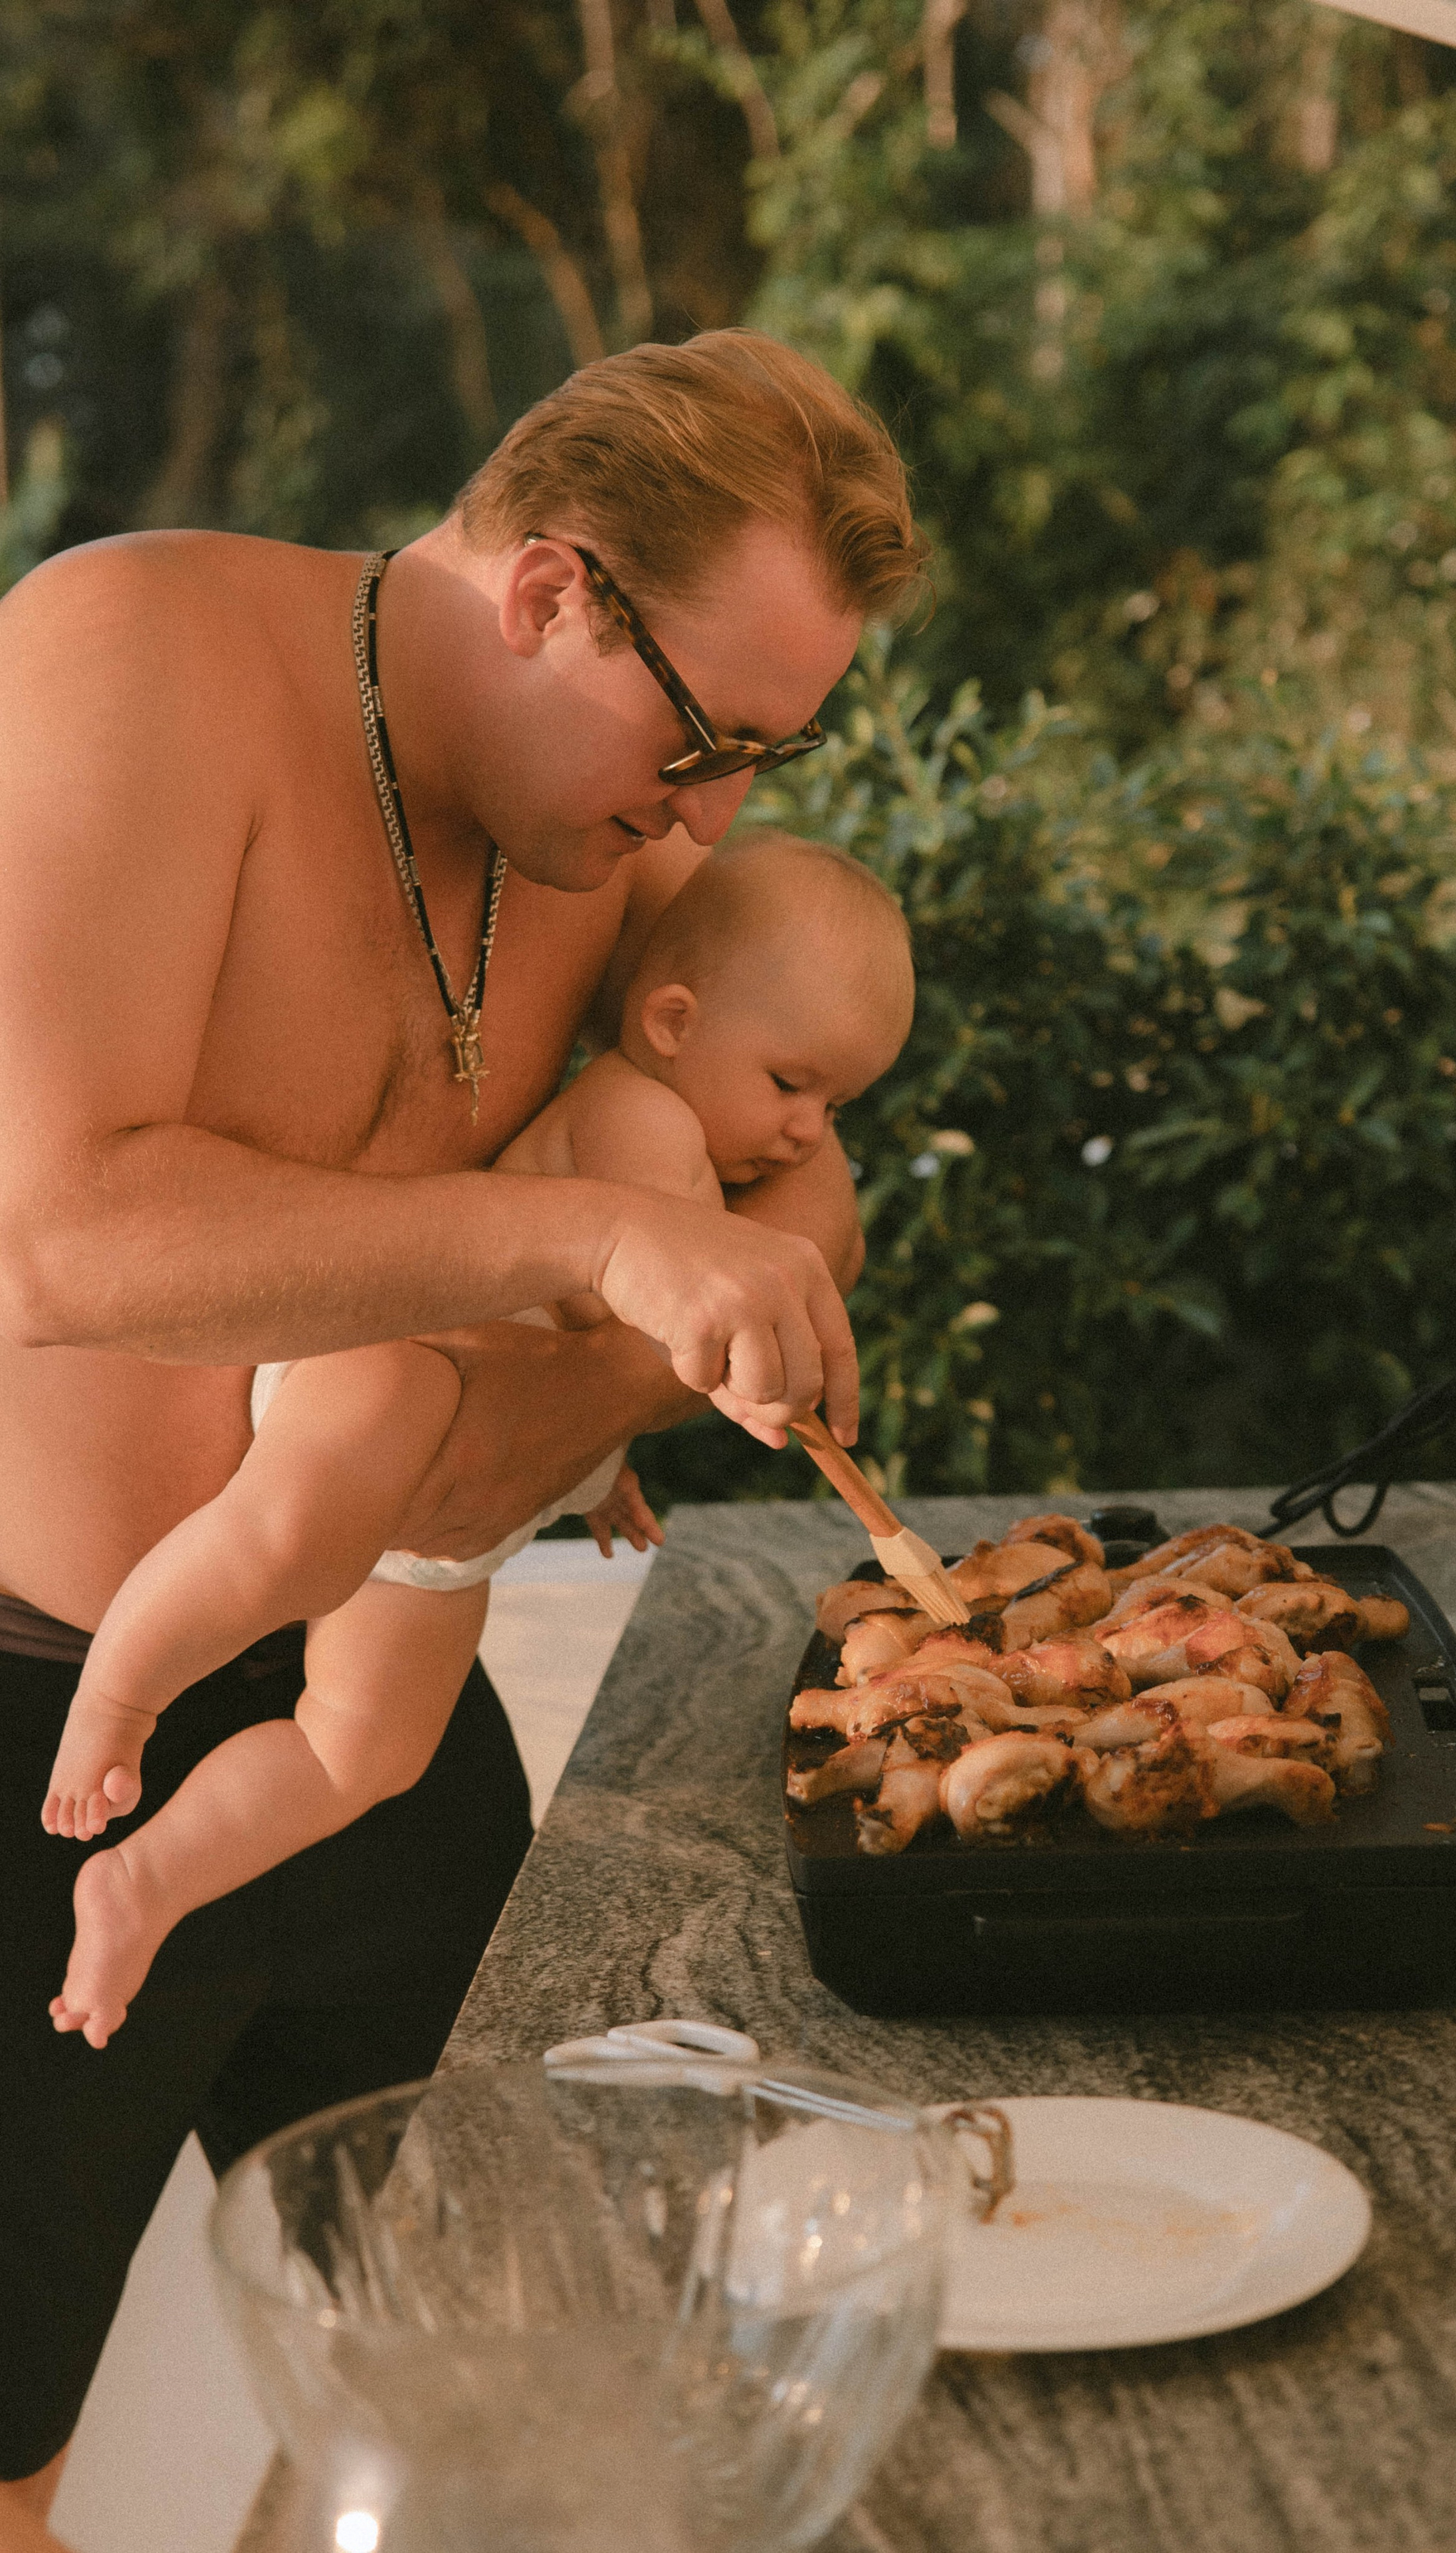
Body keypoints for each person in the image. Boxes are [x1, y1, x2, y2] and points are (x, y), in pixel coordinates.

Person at [0, 326, 927, 2522]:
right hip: (40, 1731)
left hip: (380, 1720)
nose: (709, 816)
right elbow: (53, 1232)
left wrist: (627, 1337)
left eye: (770, 755)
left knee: (503, 2417)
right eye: (702, 742)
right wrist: (590, 1252)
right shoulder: (135, 651)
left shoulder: (596, 837)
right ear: (549, 590)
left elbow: (784, 1189)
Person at [43, 834, 915, 2048]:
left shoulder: (684, 1121)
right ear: (671, 1020)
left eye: (837, 1106)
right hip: (395, 1364)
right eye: (791, 1085)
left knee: (363, 1751)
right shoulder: (640, 1118)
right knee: (281, 1541)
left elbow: (597, 1355)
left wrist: (599, 1470)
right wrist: (750, 1377)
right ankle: (120, 1694)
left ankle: (146, 1879)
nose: (811, 1132)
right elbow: (680, 1313)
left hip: (461, 1487)